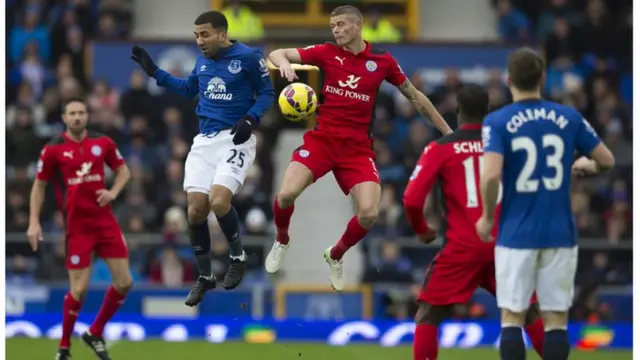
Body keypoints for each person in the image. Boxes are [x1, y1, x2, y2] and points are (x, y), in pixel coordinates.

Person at [265, 5, 453, 290]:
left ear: (357, 25)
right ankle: (282, 239)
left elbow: (415, 98)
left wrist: (448, 132)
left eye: (341, 24)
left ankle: (335, 254)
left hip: (357, 149)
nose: (336, 30)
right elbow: (276, 53)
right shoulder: (326, 53)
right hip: (323, 140)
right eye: (332, 26)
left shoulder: (382, 60)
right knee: (286, 194)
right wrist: (285, 63)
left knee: (369, 213)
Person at [476, 48, 615, 360]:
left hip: (516, 232)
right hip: (560, 232)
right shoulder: (567, 116)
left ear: (509, 79)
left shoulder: (497, 121)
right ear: (542, 78)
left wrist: (486, 217)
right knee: (556, 321)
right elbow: (606, 160)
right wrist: (586, 167)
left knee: (512, 316)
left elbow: (491, 175)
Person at [130, 10, 275, 305]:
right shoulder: (202, 61)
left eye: (205, 34)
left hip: (236, 138)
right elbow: (187, 89)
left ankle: (238, 256)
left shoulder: (248, 57)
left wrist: (251, 119)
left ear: (222, 34)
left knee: (219, 201)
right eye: (196, 35)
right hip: (204, 142)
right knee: (195, 211)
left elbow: (267, 93)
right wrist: (154, 72)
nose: (199, 41)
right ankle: (205, 276)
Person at [403, 84, 545, 360]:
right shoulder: (507, 146)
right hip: (505, 244)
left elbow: (411, 199)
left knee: (428, 315)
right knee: (529, 312)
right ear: (488, 112)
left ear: (457, 111)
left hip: (463, 247)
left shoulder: (440, 149)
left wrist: (421, 230)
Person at [27, 97, 132, 360]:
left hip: (105, 222)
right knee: (79, 290)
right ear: (63, 118)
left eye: (81, 112)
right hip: (78, 227)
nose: (76, 117)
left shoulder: (102, 142)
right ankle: (64, 347)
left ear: (87, 115)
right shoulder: (52, 150)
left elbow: (124, 171)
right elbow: (39, 186)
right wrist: (34, 221)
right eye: (71, 113)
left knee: (125, 282)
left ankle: (95, 332)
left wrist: (113, 192)